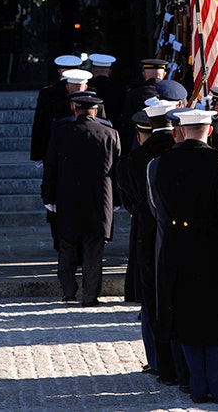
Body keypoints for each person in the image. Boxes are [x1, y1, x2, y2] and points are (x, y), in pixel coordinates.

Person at [150, 108, 218, 404]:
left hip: (177, 247)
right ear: (209, 130)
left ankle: (197, 387)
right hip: (213, 247)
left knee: (187, 318)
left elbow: (160, 204)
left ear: (183, 131)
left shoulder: (163, 163)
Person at [117, 98, 183, 386]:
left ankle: (159, 362)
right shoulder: (179, 153)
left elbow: (129, 199)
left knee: (153, 299)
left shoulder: (133, 160)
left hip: (147, 234)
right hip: (181, 234)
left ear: (143, 131)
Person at [42, 93, 121, 307]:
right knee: (94, 248)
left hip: (67, 197)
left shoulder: (60, 132)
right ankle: (90, 296)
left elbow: (51, 168)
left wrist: (48, 197)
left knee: (67, 245)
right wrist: (117, 199)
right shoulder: (110, 133)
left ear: (73, 108)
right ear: (95, 112)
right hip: (100, 199)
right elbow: (116, 171)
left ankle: (68, 291)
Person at [30, 55, 85, 162]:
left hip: (52, 148)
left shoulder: (47, 93)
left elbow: (39, 124)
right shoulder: (88, 91)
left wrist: (38, 155)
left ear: (60, 72)